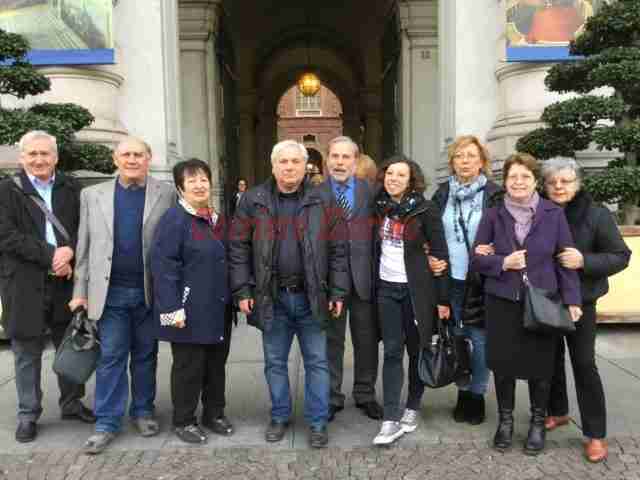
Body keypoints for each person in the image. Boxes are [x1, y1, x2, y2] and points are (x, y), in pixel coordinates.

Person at [229, 139, 349, 448]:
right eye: (283, 162)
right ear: (273, 166)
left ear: (305, 165)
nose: (289, 167)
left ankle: (318, 421)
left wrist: (337, 290)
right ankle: (280, 416)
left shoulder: (324, 199)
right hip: (272, 297)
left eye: (295, 162)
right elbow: (239, 248)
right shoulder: (253, 200)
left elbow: (338, 250)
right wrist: (242, 288)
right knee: (274, 362)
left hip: (313, 297)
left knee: (317, 362)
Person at [470, 152, 582, 455]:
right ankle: (505, 422)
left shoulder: (552, 213)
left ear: (535, 181)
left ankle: (536, 422)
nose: (518, 182)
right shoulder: (493, 214)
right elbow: (477, 259)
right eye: (512, 177)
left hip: (543, 300)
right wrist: (501, 261)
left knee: (540, 366)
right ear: (504, 182)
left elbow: (565, 258)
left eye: (525, 176)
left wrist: (572, 299)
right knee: (504, 365)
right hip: (502, 300)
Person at [69, 136, 175, 454]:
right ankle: (106, 422)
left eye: (138, 154)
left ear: (149, 158)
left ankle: (143, 411)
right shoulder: (92, 195)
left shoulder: (166, 192)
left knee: (146, 356)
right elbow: (83, 247)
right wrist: (80, 292)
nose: (132, 159)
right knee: (111, 357)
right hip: (109, 292)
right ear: (115, 159)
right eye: (126, 154)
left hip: (148, 291)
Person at [0, 130, 95, 443]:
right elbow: (7, 237)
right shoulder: (6, 191)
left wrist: (70, 249)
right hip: (24, 283)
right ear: (21, 157)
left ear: (56, 157)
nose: (39, 159)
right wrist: (53, 255)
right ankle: (28, 413)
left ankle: (71, 403)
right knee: (26, 351)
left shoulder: (72, 187)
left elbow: (88, 228)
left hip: (65, 282)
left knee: (70, 343)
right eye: (32, 154)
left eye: (45, 154)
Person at [542, 157, 630, 463]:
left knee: (583, 364)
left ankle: (595, 434)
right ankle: (557, 411)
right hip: (546, 299)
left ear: (578, 183)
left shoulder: (596, 214)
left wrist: (585, 261)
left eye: (565, 181)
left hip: (583, 301)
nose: (559, 187)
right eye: (552, 182)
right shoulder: (538, 211)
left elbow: (620, 255)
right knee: (550, 360)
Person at [150, 158, 235, 444]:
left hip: (217, 306)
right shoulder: (174, 221)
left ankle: (214, 413)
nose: (199, 186)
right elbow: (164, 268)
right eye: (192, 181)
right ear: (180, 188)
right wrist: (172, 309)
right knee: (188, 367)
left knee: (215, 365)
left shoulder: (217, 219)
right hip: (186, 310)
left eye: (203, 180)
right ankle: (184, 419)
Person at [371, 155, 450, 446]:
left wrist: (442, 299)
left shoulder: (425, 210)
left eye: (400, 175)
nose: (393, 179)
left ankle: (413, 406)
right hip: (386, 290)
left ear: (411, 180)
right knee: (392, 351)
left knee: (417, 352)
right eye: (390, 173)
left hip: (416, 292)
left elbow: (440, 253)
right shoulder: (378, 207)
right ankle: (390, 417)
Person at [431, 135, 502, 426]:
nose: (465, 161)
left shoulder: (495, 194)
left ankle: (477, 394)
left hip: (482, 280)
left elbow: (508, 230)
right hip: (452, 278)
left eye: (471, 156)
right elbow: (431, 230)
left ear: (482, 161)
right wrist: (430, 255)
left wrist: (498, 247)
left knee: (481, 340)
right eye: (459, 156)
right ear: (452, 162)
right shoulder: (442, 193)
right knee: (458, 337)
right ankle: (462, 390)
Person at [319, 136, 382, 423]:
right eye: (335, 156)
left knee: (366, 341)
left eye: (346, 157)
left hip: (364, 278)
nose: (340, 162)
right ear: (327, 160)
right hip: (330, 282)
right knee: (332, 342)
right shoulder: (315, 194)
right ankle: (332, 396)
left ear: (355, 161)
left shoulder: (371, 192)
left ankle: (365, 394)